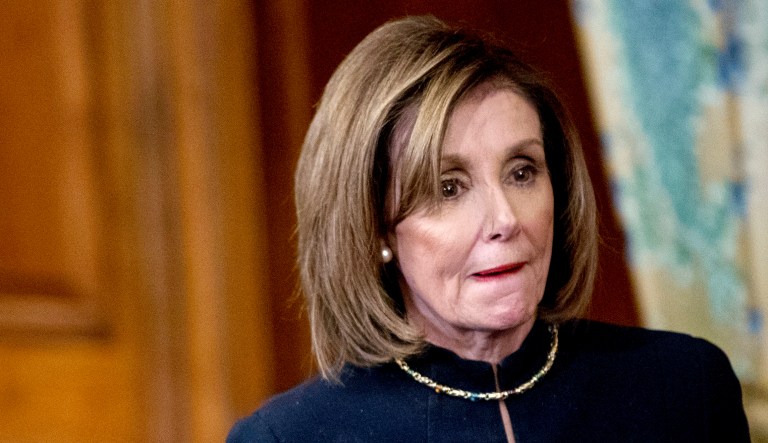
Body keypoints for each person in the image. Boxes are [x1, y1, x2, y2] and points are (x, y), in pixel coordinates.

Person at [228, 16, 750, 442]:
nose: (505, 220)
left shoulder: (684, 388)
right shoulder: (288, 437)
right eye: (448, 188)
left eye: (522, 172)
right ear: (376, 229)